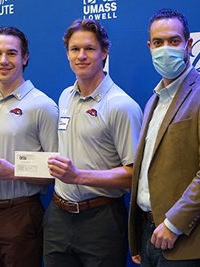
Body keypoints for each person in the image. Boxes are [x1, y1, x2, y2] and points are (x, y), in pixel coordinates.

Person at [128, 8, 200, 267]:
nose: (166, 49)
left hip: (185, 239)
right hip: (148, 235)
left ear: (189, 44)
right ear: (149, 47)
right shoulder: (152, 101)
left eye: (174, 41)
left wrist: (173, 224)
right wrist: (139, 235)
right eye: (158, 43)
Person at [43, 19, 143, 267]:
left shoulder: (121, 105)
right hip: (58, 216)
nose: (81, 56)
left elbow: (133, 175)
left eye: (89, 48)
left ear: (104, 52)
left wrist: (78, 176)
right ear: (67, 54)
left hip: (101, 219)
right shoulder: (65, 96)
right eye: (75, 49)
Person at [0, 26, 59, 267]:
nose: (3, 60)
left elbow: (57, 173)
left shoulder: (43, 106)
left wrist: (12, 171)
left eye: (11, 53)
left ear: (25, 57)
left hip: (19, 214)